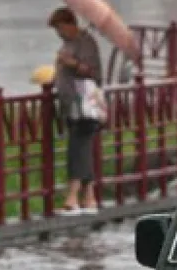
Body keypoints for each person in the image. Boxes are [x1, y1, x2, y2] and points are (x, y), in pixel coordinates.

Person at [48, 7, 104, 214]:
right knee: (83, 149)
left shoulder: (86, 42)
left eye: (60, 28)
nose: (59, 33)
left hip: (84, 105)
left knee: (77, 148)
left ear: (70, 24)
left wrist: (69, 62)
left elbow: (90, 71)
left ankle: (72, 196)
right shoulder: (69, 44)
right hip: (71, 105)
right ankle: (89, 197)